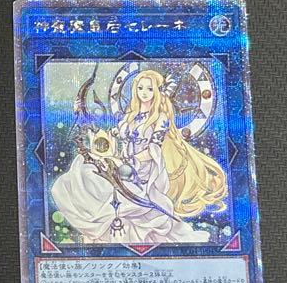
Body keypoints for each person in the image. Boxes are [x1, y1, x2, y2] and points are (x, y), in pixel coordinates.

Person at [51, 69, 226, 245]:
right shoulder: (130, 115)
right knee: (82, 167)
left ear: (156, 91)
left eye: (149, 89)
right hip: (122, 164)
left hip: (142, 173)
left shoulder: (160, 118)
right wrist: (98, 135)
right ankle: (92, 229)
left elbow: (153, 149)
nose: (144, 92)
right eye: (140, 88)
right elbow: (116, 134)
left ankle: (102, 230)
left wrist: (129, 161)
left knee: (109, 191)